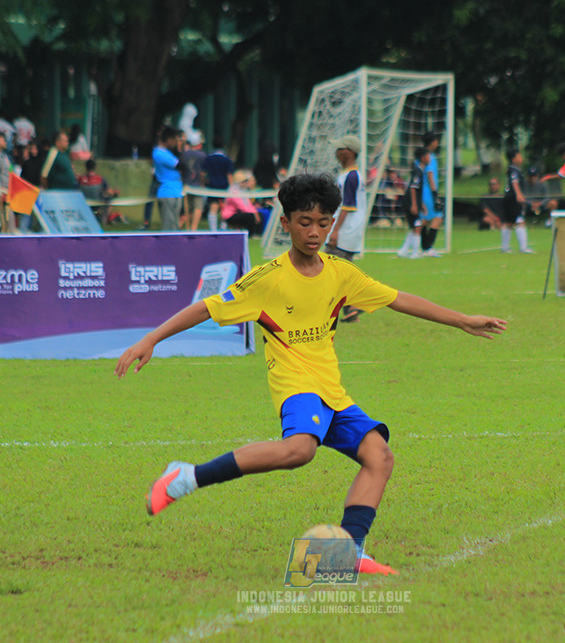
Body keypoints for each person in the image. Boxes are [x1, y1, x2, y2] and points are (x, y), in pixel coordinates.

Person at [114, 172, 508, 576]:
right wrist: (152, 339)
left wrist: (461, 320)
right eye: (305, 222)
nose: (315, 232)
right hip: (296, 387)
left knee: (379, 456)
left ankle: (349, 551)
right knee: (299, 450)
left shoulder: (341, 272)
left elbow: (397, 299)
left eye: (324, 223)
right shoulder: (268, 279)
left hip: (331, 390)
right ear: (284, 223)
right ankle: (186, 476)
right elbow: (205, 308)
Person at [326, 135, 368, 322]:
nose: (336, 153)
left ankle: (356, 303)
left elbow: (347, 205)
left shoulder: (352, 176)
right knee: (341, 269)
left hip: (346, 228)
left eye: (340, 149)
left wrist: (334, 230)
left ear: (350, 152)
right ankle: (352, 309)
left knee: (330, 267)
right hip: (346, 228)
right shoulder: (346, 174)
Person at [142, 126, 184, 232]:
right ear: (169, 139)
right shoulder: (159, 153)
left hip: (176, 191)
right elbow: (181, 165)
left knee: (175, 226)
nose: (176, 142)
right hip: (167, 192)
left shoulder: (168, 153)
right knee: (168, 228)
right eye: (175, 139)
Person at [396, 147, 430, 258]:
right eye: (428, 155)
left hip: (415, 201)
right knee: (418, 225)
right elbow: (412, 188)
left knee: (416, 225)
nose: (429, 158)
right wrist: (415, 204)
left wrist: (422, 204)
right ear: (423, 157)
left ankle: (403, 251)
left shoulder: (420, 170)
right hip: (411, 201)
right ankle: (415, 252)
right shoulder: (417, 171)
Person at [500, 149, 533, 253]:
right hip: (513, 198)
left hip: (508, 197)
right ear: (514, 159)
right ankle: (523, 248)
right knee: (520, 221)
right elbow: (515, 182)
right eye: (519, 156)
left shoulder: (512, 169)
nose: (521, 158)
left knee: (509, 222)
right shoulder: (514, 170)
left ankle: (505, 248)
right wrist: (519, 195)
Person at [201, 136, 235, 232]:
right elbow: (229, 175)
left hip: (212, 187)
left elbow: (203, 173)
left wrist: (204, 182)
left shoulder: (209, 158)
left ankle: (213, 230)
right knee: (225, 209)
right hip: (224, 187)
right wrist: (232, 187)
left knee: (213, 208)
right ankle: (223, 228)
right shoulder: (226, 160)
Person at [418, 132, 443, 256]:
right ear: (432, 142)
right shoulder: (429, 156)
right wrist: (435, 193)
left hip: (422, 192)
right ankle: (427, 247)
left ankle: (425, 247)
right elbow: (430, 174)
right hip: (428, 192)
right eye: (436, 140)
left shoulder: (420, 155)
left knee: (426, 219)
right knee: (437, 217)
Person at [78, 158, 123, 224]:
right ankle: (104, 219)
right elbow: (109, 191)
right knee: (110, 200)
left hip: (84, 203)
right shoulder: (99, 179)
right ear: (95, 167)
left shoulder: (80, 179)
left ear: (85, 167)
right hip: (97, 203)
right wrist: (114, 192)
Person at [180, 132, 207, 230]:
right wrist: (203, 183)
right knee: (198, 206)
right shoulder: (202, 155)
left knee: (188, 207)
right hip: (197, 185)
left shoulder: (184, 154)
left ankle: (185, 226)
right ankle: (193, 228)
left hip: (186, 184)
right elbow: (202, 173)